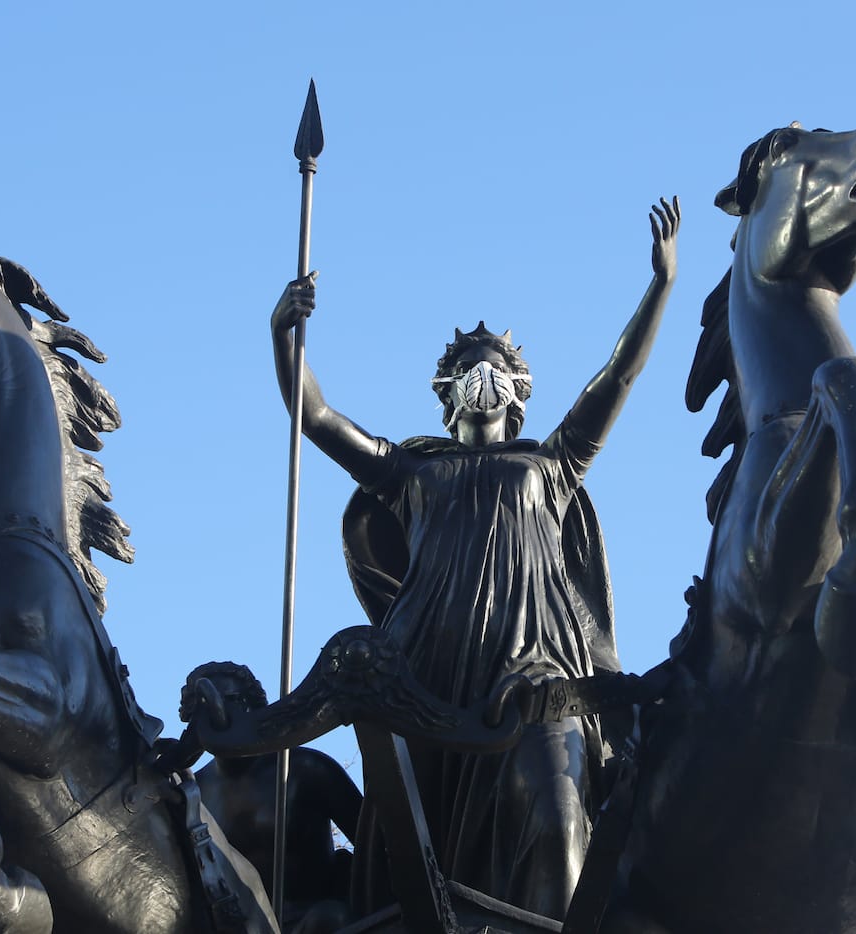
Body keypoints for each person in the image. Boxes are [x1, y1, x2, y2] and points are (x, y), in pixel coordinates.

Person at [270, 198, 679, 919]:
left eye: (495, 369)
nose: (481, 374)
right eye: (467, 367)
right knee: (409, 850)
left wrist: (661, 285)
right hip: (426, 674)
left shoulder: (551, 465)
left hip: (533, 674)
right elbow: (317, 417)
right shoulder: (409, 472)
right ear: (447, 394)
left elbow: (616, 377)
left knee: (557, 812)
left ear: (517, 392)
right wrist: (284, 335)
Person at [179, 662, 362, 934]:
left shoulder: (307, 770)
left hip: (314, 920)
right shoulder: (195, 794)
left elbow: (375, 844)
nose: (219, 710)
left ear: (254, 707)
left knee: (330, 919)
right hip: (240, 929)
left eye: (232, 699)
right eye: (203, 706)